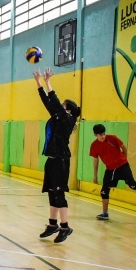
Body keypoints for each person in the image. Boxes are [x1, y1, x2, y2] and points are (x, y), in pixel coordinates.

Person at [34, 67, 81, 244]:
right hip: (52, 161)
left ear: (68, 111)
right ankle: (52, 224)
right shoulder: (58, 117)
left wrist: (48, 82)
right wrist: (38, 83)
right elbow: (48, 103)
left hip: (61, 161)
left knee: (60, 195)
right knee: (51, 193)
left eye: (62, 106)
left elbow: (53, 101)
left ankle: (65, 226)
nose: (59, 107)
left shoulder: (68, 120)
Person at [89, 123, 136, 219]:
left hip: (122, 166)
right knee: (104, 191)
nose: (103, 136)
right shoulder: (94, 145)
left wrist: (125, 159)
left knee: (132, 183)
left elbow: (123, 147)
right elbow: (95, 160)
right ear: (95, 135)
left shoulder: (112, 138)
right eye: (100, 135)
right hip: (110, 169)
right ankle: (105, 213)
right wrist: (95, 175)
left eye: (103, 134)